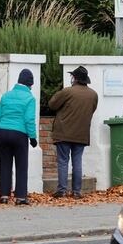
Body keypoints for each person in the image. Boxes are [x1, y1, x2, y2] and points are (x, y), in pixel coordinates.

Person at [48, 66, 99, 199]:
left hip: (64, 132)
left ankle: (62, 190)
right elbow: (91, 110)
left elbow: (52, 105)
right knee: (77, 161)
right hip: (81, 133)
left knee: (63, 161)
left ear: (74, 78)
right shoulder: (93, 95)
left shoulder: (67, 92)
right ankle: (77, 191)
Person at [0, 69, 39, 205]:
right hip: (19, 133)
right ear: (30, 84)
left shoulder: (6, 96)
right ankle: (20, 197)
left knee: (5, 164)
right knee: (21, 165)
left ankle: (4, 195)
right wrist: (33, 137)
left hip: (3, 131)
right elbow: (29, 120)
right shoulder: (30, 98)